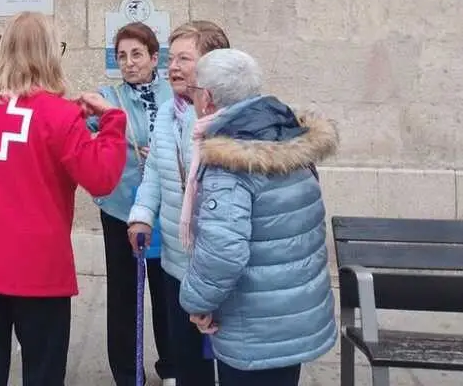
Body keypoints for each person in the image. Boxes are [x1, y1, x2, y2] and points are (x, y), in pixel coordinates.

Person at [0, 11, 128, 386]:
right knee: (43, 372)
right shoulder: (61, 115)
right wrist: (113, 123)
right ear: (50, 53)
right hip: (38, 269)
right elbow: (102, 179)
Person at [180, 49, 338, 386]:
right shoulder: (285, 133)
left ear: (207, 98)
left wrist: (196, 302)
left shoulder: (231, 160)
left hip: (253, 326)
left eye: (194, 92)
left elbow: (223, 253)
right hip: (291, 315)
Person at [127, 20, 230, 386]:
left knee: (224, 361)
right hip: (176, 264)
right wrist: (141, 216)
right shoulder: (169, 115)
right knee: (189, 364)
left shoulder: (227, 122)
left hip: (220, 272)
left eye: (184, 59)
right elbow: (153, 173)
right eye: (172, 59)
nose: (173, 67)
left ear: (212, 65)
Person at [87, 23, 174, 386]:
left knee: (168, 288)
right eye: (122, 56)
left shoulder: (175, 94)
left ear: (155, 58)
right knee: (123, 293)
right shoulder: (108, 96)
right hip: (122, 208)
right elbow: (85, 134)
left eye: (137, 54)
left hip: (167, 208)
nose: (129, 63)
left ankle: (172, 366)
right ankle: (126, 372)